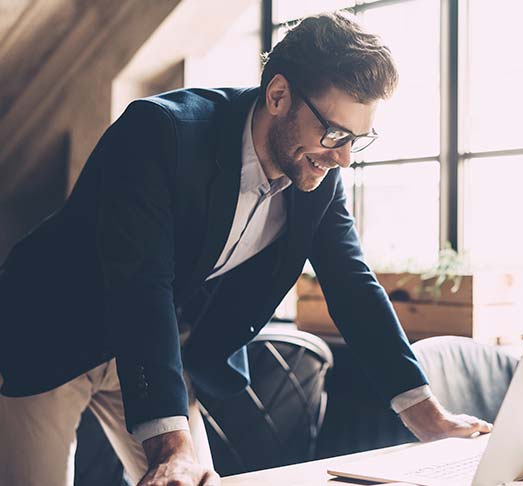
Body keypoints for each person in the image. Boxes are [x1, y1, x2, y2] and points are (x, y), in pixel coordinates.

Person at [0, 12, 491, 486]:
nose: (342, 158)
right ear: (278, 95)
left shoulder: (318, 174)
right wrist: (172, 448)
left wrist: (429, 416)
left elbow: (353, 286)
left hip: (158, 348)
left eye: (357, 141)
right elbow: (141, 284)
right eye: (335, 134)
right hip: (51, 327)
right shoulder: (160, 133)